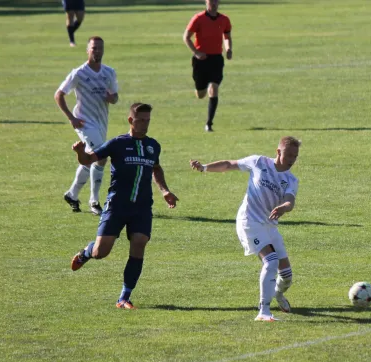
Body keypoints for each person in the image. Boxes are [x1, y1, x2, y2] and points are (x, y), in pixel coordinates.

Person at [70, 103, 179, 310]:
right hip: (117, 205)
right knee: (101, 252)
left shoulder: (153, 146)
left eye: (148, 120)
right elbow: (88, 160)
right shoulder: (117, 143)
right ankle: (87, 252)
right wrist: (80, 152)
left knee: (139, 243)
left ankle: (124, 298)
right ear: (131, 120)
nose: (145, 124)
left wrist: (165, 190)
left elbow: (156, 168)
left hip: (142, 207)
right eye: (141, 120)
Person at [189, 136, 301, 322]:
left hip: (270, 226)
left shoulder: (291, 179)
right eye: (288, 155)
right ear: (278, 152)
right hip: (249, 222)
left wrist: (285, 207)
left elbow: (290, 200)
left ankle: (277, 294)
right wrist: (205, 167)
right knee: (271, 261)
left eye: (295, 156)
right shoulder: (259, 162)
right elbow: (228, 164)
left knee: (287, 276)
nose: (291, 160)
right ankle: (264, 311)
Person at [55, 36, 119, 215]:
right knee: (101, 157)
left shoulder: (109, 72)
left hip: (101, 123)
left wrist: (111, 98)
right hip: (84, 122)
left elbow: (115, 97)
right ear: (87, 50)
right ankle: (94, 201)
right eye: (93, 48)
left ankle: (72, 194)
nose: (97, 51)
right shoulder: (79, 73)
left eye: (100, 48)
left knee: (91, 159)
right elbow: (59, 94)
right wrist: (71, 118)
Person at [183, 0, 233, 132]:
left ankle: (209, 123)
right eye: (211, 1)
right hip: (201, 60)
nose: (214, 4)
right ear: (206, 2)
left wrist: (228, 49)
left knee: (213, 88)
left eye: (216, 1)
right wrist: (196, 52)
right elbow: (186, 37)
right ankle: (200, 88)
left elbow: (227, 36)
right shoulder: (198, 18)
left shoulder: (224, 19)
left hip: (216, 59)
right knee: (201, 93)